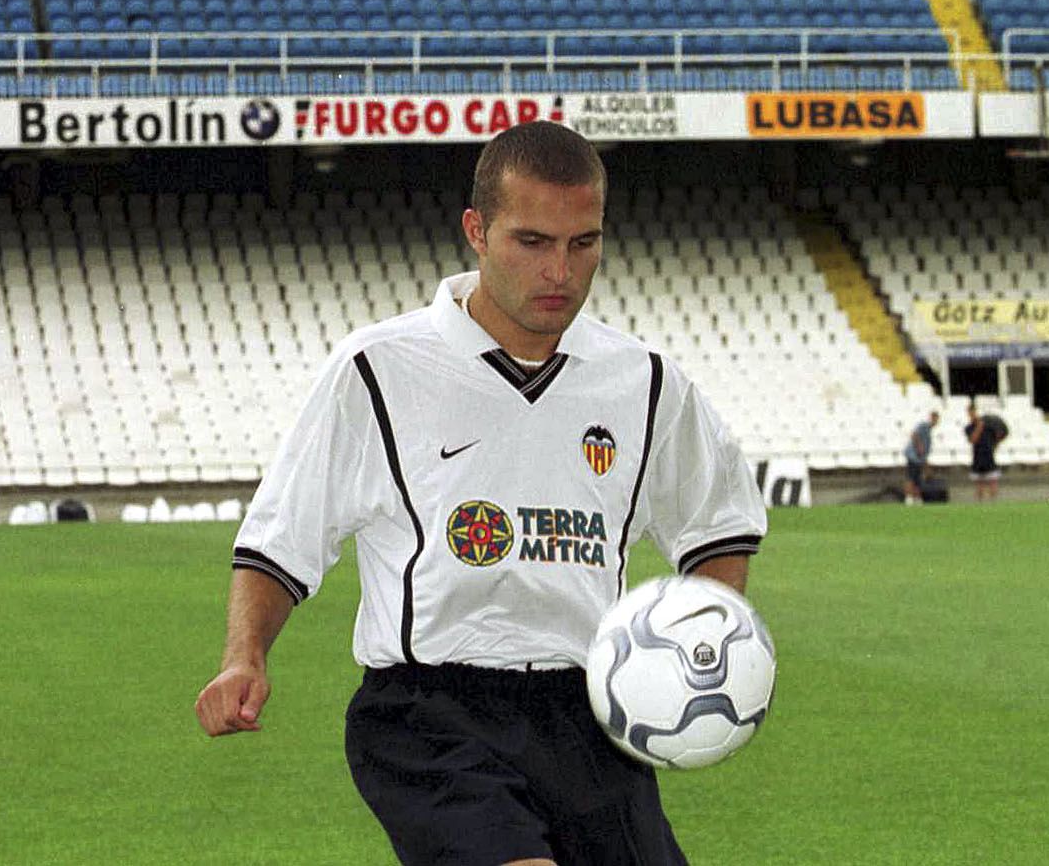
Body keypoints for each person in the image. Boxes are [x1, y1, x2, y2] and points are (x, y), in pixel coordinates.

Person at [194, 121, 767, 866]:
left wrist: (706, 646)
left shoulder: (647, 382)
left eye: (583, 243)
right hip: (428, 714)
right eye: (532, 242)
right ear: (477, 230)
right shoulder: (380, 368)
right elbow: (283, 538)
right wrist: (246, 657)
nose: (560, 270)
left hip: (588, 718)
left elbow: (716, 525)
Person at [965, 404, 1009, 501]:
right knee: (979, 484)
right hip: (977, 457)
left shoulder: (989, 426)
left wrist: (995, 444)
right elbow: (972, 440)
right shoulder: (969, 427)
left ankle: (993, 504)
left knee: (993, 482)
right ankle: (980, 505)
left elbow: (999, 435)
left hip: (989, 456)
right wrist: (979, 427)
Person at [903, 410, 939, 505]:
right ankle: (909, 498)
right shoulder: (923, 426)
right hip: (913, 456)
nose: (935, 421)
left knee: (918, 479)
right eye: (934, 418)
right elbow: (914, 435)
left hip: (919, 459)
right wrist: (919, 446)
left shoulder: (929, 435)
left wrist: (927, 467)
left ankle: (917, 498)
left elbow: (925, 453)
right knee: (911, 477)